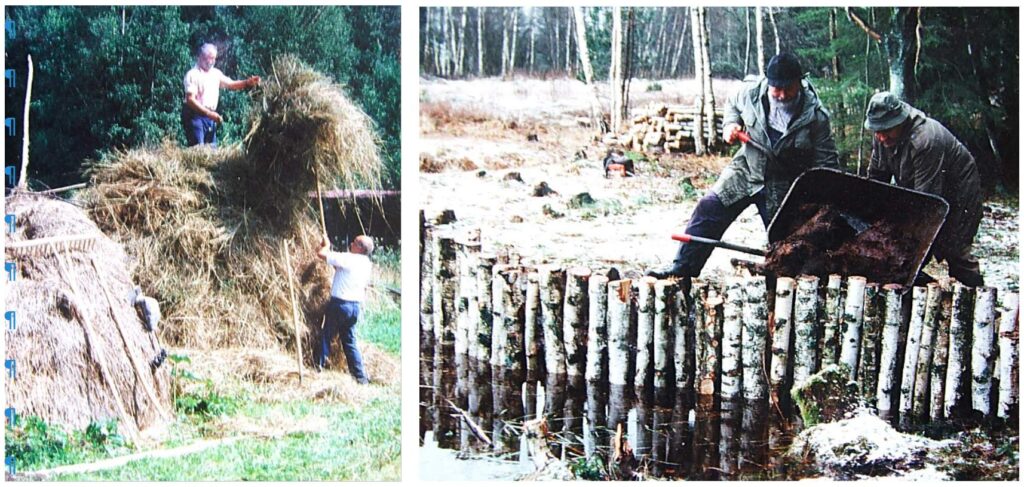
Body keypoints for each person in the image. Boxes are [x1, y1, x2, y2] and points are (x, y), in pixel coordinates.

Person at [648, 53, 839, 279]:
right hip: (746, 169)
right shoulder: (749, 93)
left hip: (783, 183)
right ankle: (682, 270)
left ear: (800, 82)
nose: (782, 94)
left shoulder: (816, 116)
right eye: (776, 88)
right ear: (768, 81)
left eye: (788, 88)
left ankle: (786, 286)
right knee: (709, 208)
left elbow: (826, 162)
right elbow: (732, 105)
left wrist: (820, 200)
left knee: (785, 241)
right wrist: (731, 124)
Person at [863, 92, 984, 287]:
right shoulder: (881, 136)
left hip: (959, 193)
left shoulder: (926, 139)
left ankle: (980, 301)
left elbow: (926, 200)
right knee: (903, 251)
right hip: (924, 189)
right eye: (877, 130)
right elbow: (877, 177)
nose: (881, 136)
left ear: (900, 121)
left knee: (954, 249)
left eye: (886, 130)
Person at [317, 234, 375, 384]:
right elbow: (338, 266)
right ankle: (360, 377)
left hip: (340, 305)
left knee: (326, 335)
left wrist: (327, 246)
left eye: (355, 242)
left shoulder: (350, 259)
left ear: (360, 248)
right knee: (349, 342)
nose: (351, 243)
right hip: (354, 307)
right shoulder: (366, 263)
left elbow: (321, 254)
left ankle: (318, 367)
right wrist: (330, 253)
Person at [182, 43, 261, 147]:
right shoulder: (192, 74)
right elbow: (190, 100)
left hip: (211, 117)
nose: (212, 62)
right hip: (196, 118)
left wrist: (247, 83)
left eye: (214, 58)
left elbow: (231, 84)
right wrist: (208, 114)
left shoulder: (215, 73)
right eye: (210, 58)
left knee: (212, 153)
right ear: (201, 56)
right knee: (197, 151)